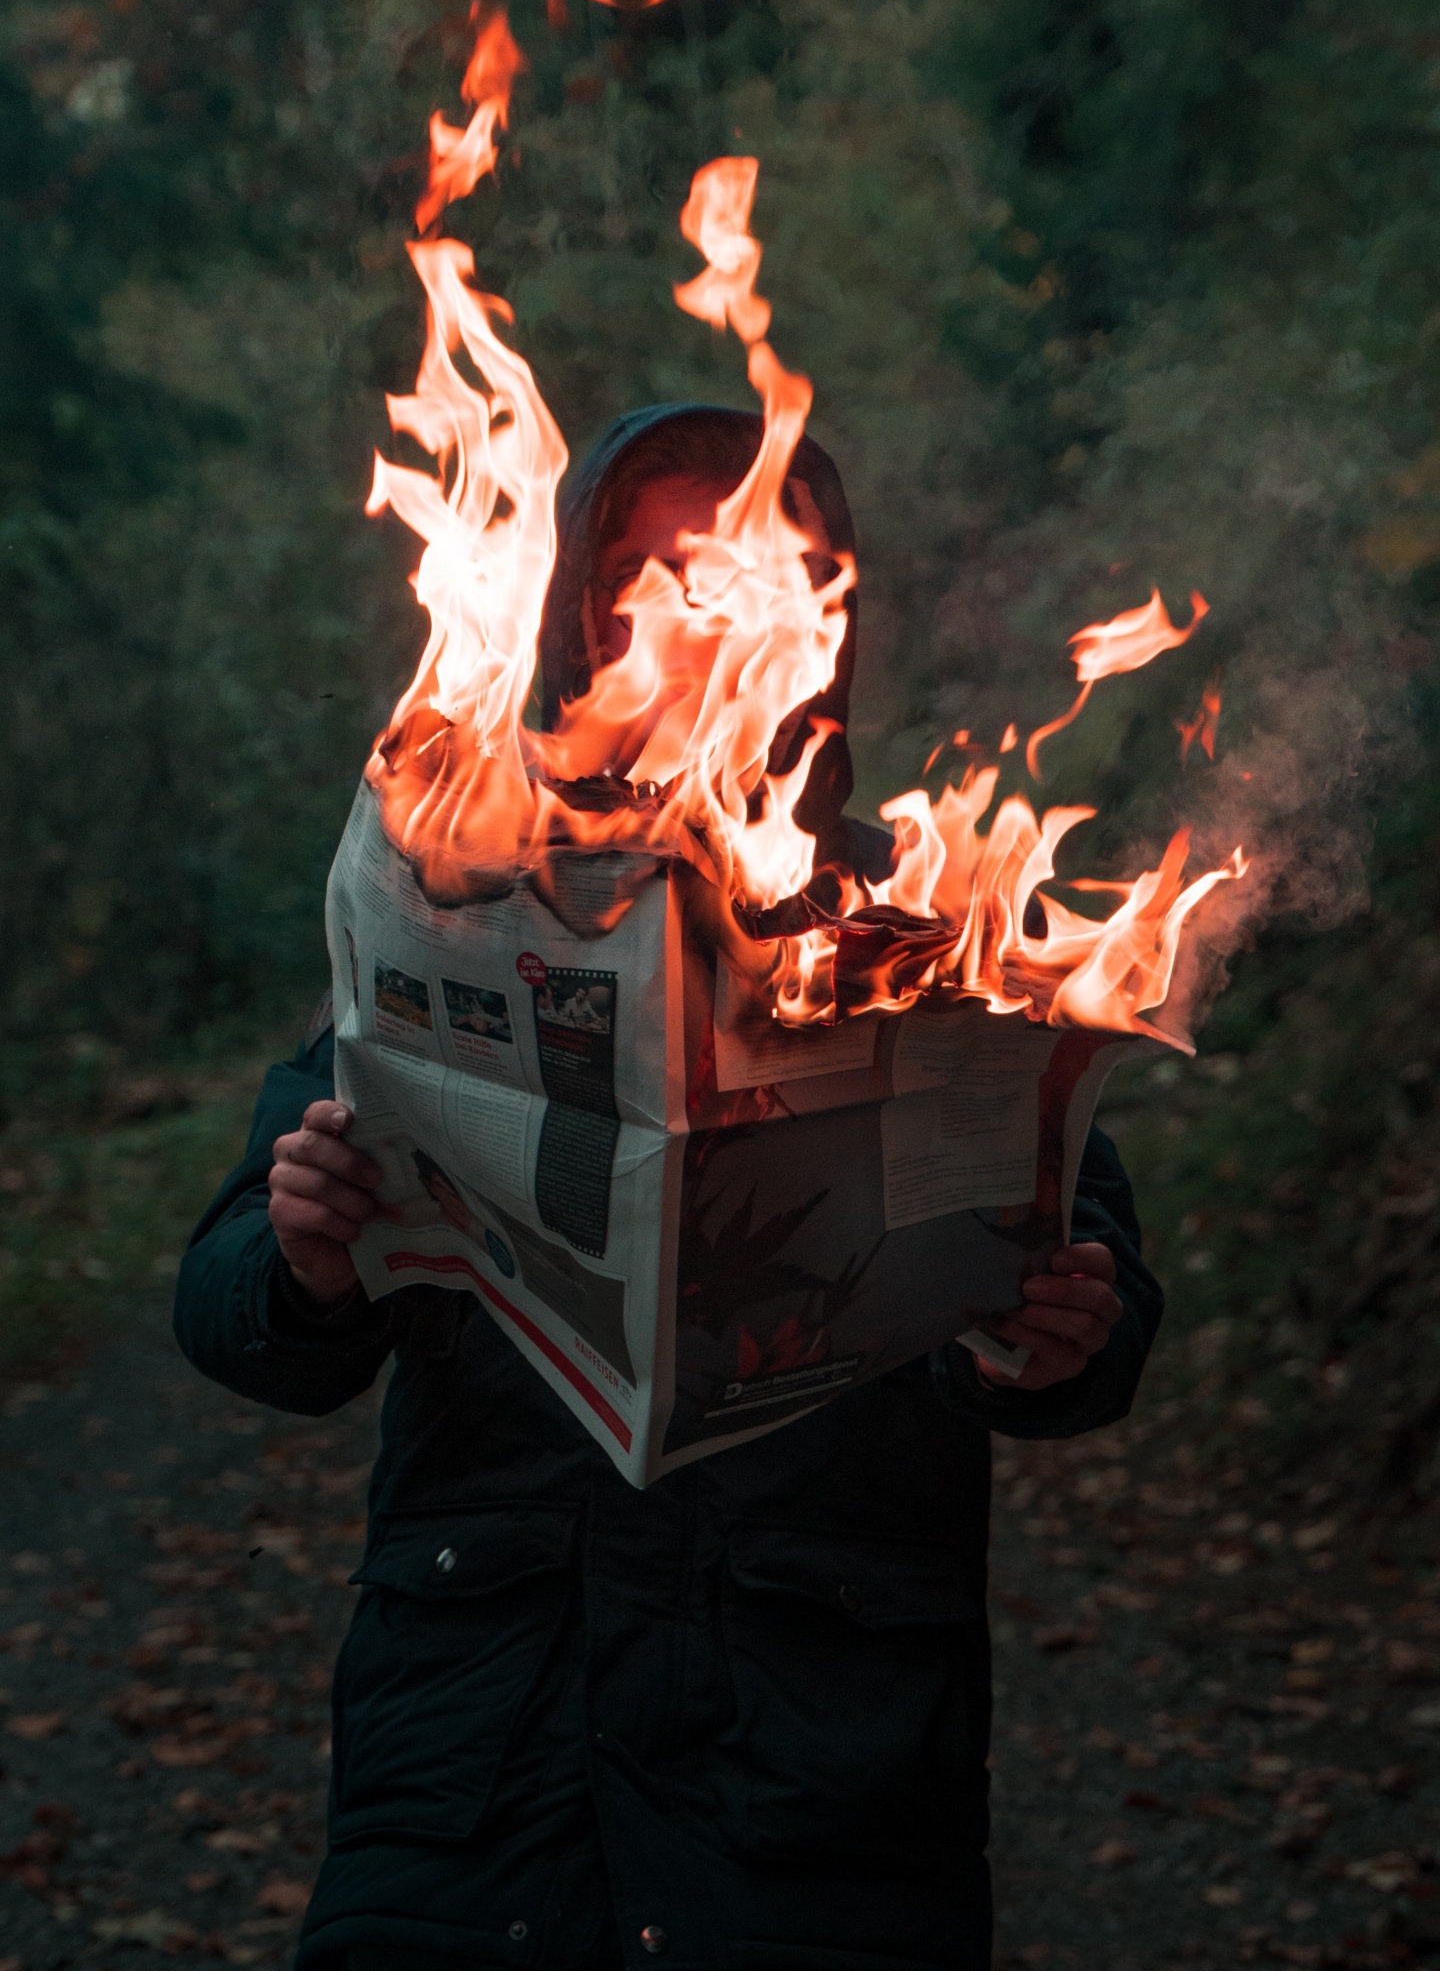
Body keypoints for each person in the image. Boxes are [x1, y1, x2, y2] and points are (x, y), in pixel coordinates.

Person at [174, 404, 1162, 1971]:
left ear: (817, 612)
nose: (677, 620)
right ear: (575, 611)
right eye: (638, 576)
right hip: (483, 1774)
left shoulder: (922, 924)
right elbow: (226, 1307)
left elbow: (1088, 1289)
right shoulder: (460, 887)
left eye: (728, 575)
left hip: (821, 1783)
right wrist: (299, 1258)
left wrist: (1058, 1334)